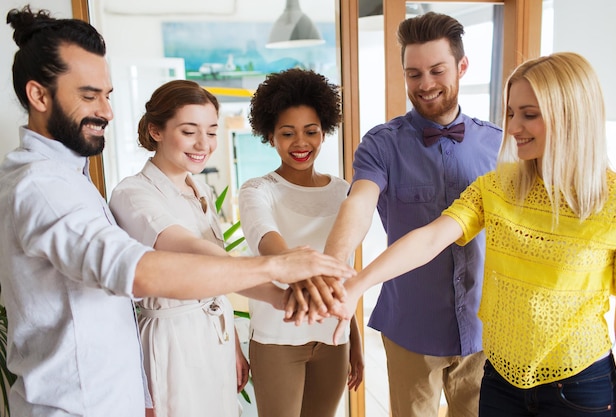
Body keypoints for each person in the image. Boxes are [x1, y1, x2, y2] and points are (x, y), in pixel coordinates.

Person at [0, 6, 355, 417]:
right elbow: (144, 269)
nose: (107, 111)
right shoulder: (45, 186)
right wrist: (276, 269)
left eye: (107, 95)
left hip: (123, 385)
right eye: (88, 95)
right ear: (38, 95)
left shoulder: (75, 177)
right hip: (79, 401)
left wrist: (278, 301)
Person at [333, 51, 616, 417]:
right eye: (511, 113)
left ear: (571, 116)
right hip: (500, 382)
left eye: (529, 115)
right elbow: (429, 238)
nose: (514, 127)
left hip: (581, 385)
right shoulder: (496, 188)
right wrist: (355, 285)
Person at [295, 12, 502, 417]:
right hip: (411, 326)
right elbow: (358, 204)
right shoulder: (381, 144)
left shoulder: (499, 144)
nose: (424, 84)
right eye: (414, 73)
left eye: (436, 70)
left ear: (462, 67)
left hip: (485, 329)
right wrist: (333, 269)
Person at [108, 80, 265, 417]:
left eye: (211, 131)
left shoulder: (199, 188)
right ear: (156, 131)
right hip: (172, 337)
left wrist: (234, 345)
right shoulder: (132, 193)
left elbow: (214, 285)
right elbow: (187, 248)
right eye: (189, 131)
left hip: (215, 333)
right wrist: (268, 275)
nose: (203, 144)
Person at [237, 68, 364, 417]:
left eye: (311, 132)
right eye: (287, 133)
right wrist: (305, 275)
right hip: (277, 338)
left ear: (324, 131)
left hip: (332, 336)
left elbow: (345, 270)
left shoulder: (343, 191)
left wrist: (353, 337)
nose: (301, 143)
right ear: (270, 136)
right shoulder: (257, 190)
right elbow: (267, 243)